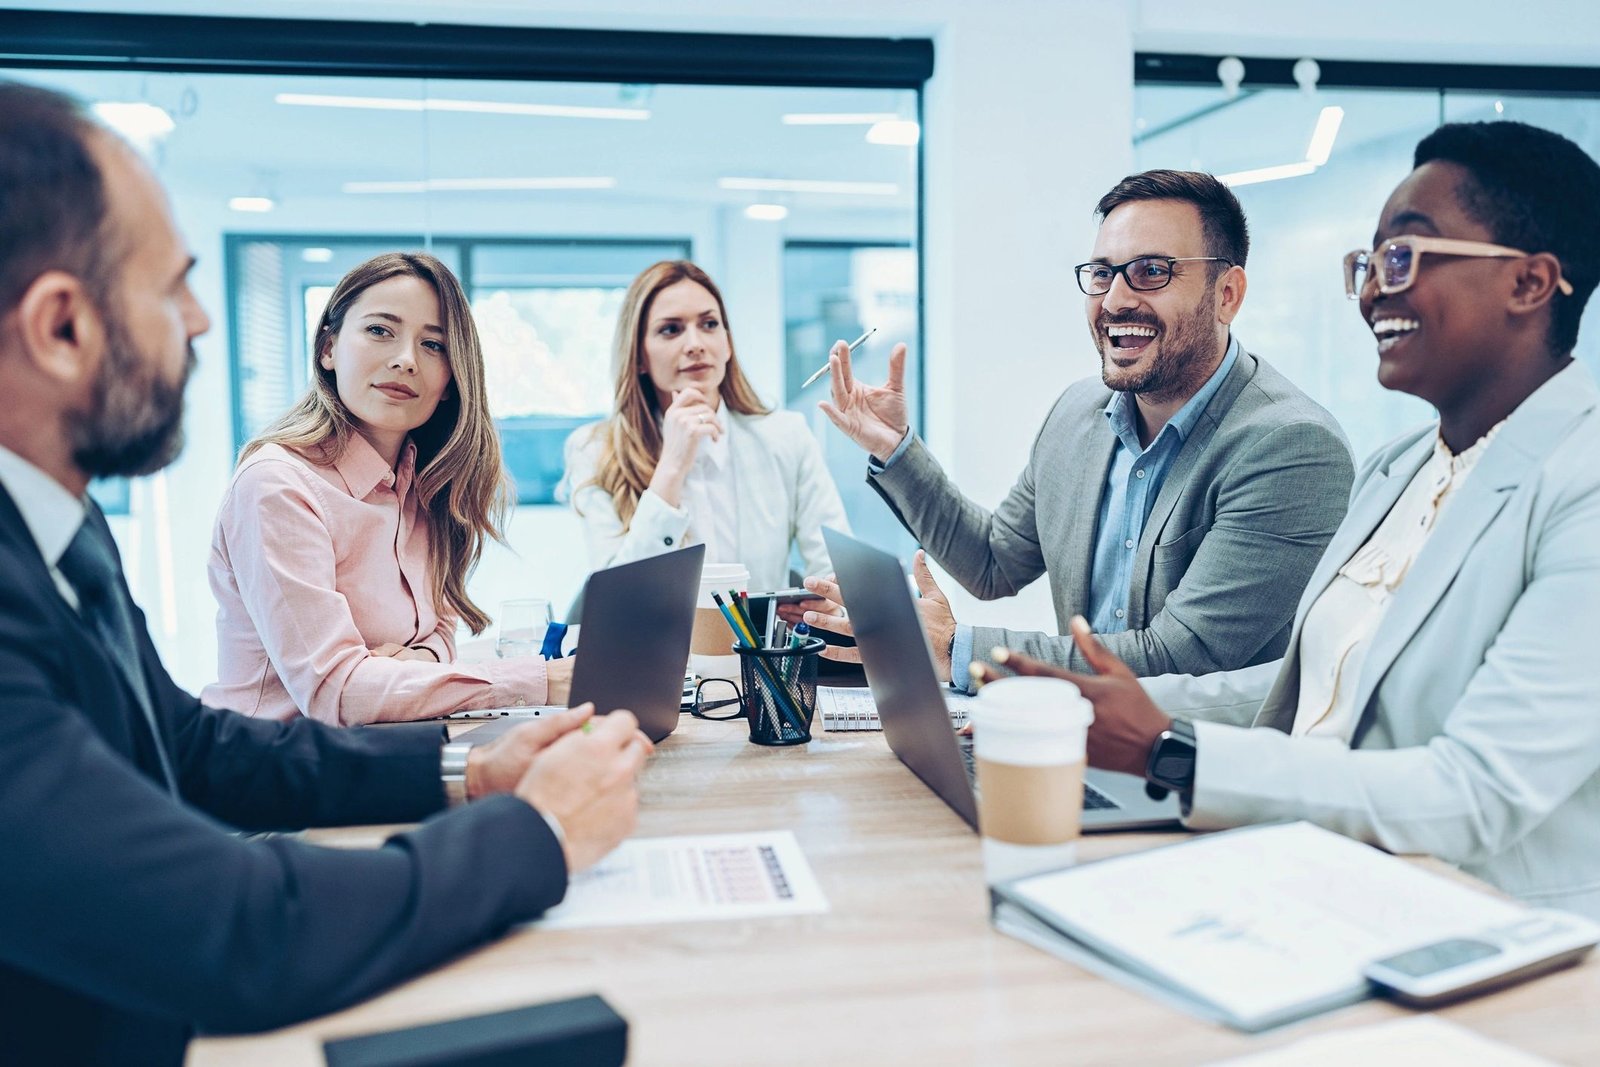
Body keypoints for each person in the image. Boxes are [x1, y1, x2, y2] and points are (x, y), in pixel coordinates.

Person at [0, 80, 650, 1065]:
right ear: (61, 327)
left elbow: (196, 745)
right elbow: (238, 928)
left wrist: (468, 771)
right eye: (172, 285)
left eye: (432, 343)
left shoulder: (64, 528)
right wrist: (538, 831)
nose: (202, 321)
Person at [989, 121, 1600, 919]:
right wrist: (1096, 704)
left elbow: (1475, 793)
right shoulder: (1399, 467)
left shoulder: (1580, 486)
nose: (1376, 288)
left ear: (1530, 283)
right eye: (1370, 262)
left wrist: (1171, 750)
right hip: (1317, 877)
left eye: (1406, 256)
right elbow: (1305, 690)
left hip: (1486, 931)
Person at [806, 170, 1355, 690]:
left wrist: (956, 649)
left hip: (1197, 770)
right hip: (1073, 744)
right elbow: (994, 563)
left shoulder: (1292, 448)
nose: (1115, 301)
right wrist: (897, 450)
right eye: (1102, 274)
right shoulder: (1078, 413)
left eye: (1151, 272)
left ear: (1227, 294)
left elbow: (1179, 657)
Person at [203, 253, 571, 724]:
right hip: (276, 770)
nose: (405, 360)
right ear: (328, 348)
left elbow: (439, 630)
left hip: (383, 749)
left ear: (452, 378)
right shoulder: (276, 485)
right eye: (380, 331)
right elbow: (335, 695)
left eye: (434, 345)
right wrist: (544, 680)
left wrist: (416, 663)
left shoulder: (424, 480)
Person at [563, 260, 848, 597]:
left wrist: (830, 603)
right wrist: (671, 467)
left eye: (709, 324)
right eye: (671, 329)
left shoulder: (787, 436)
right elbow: (617, 601)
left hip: (758, 649)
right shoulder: (595, 450)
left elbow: (836, 572)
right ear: (639, 354)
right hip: (655, 650)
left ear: (727, 343)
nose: (695, 343)